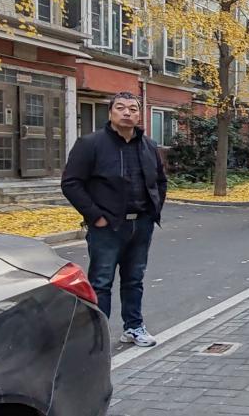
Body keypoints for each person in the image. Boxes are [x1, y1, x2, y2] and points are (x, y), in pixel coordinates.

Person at [61, 91, 167, 347]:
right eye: (120, 107)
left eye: (133, 108)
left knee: (134, 280)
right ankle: (97, 336)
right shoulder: (90, 144)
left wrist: (153, 211)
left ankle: (133, 327)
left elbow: (160, 181)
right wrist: (95, 216)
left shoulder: (149, 146)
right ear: (110, 113)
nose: (127, 112)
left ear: (139, 115)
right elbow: (71, 183)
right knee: (101, 282)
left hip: (141, 224)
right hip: (107, 227)